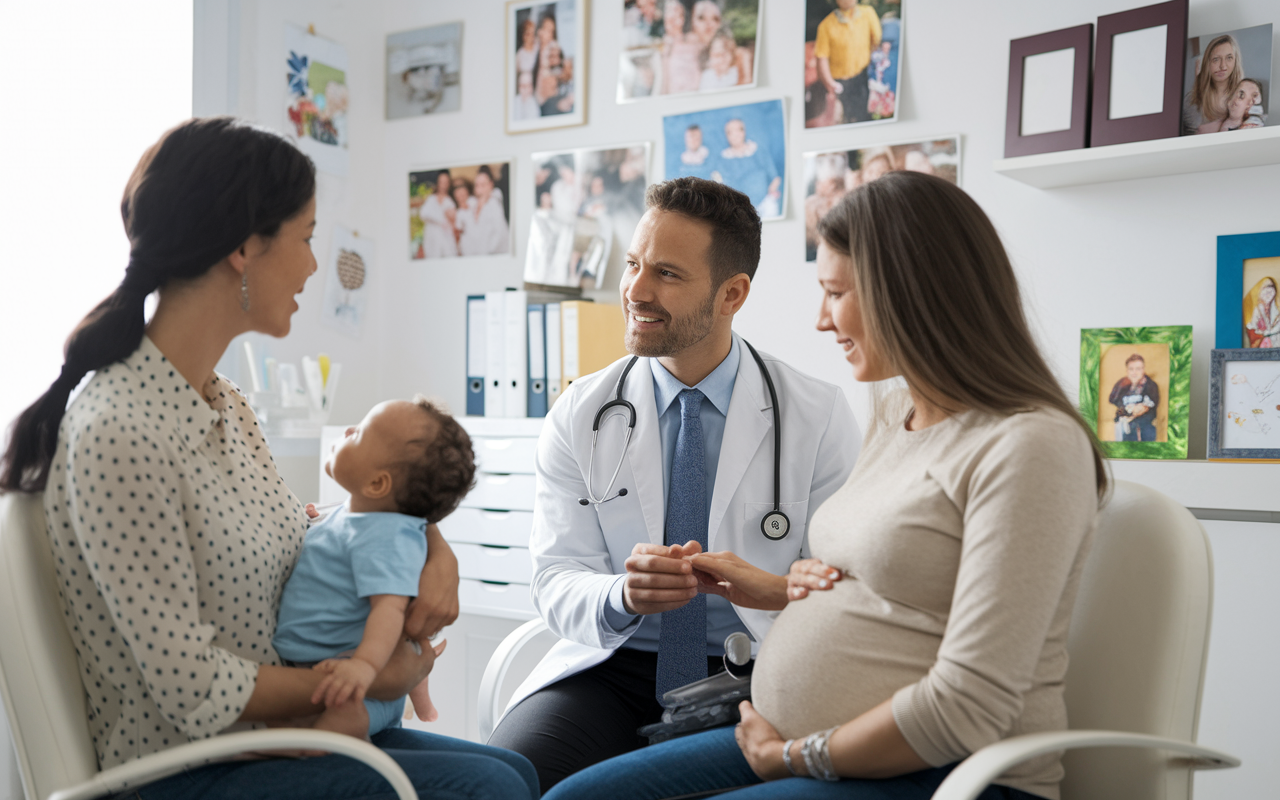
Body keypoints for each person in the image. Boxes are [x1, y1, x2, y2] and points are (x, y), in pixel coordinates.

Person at [0, 117, 538, 800]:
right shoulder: (122, 432)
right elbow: (189, 680)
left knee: (515, 772)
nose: (315, 264)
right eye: (307, 237)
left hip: (279, 738)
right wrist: (374, 676)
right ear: (245, 249)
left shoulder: (226, 405)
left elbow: (314, 533)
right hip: (191, 767)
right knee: (490, 790)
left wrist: (433, 545)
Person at [542, 170, 1107, 800]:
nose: (819, 320)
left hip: (942, 769)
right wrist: (777, 588)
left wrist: (796, 756)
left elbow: (971, 700)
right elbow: (885, 586)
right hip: (799, 732)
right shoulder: (901, 416)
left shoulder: (1032, 447)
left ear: (911, 295)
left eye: (836, 294)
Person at [486, 176, 860, 794]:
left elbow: (839, 589)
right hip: (611, 668)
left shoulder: (816, 416)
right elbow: (554, 577)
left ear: (731, 294)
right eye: (634, 264)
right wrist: (620, 594)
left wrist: (767, 588)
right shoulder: (582, 410)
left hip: (751, 676)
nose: (635, 290)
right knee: (509, 783)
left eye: (666, 273)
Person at [273, 397, 476, 738]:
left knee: (341, 719)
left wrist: (363, 668)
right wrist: (316, 522)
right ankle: (421, 704)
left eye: (359, 433)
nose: (348, 430)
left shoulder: (384, 537)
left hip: (358, 683)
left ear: (377, 484)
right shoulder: (362, 514)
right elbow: (341, 539)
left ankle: (317, 744)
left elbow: (390, 609)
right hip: (326, 662)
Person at [814, 0, 882, 125]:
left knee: (865, 113)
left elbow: (876, 41)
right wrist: (830, 83)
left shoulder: (868, 13)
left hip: (863, 75)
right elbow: (822, 58)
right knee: (847, 117)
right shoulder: (826, 26)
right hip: (841, 82)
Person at [716, 118, 782, 218]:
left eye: (739, 130)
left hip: (765, 204)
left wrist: (771, 194)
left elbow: (775, 177)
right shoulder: (724, 159)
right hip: (740, 210)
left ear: (744, 131)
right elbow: (723, 184)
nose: (735, 134)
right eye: (730, 132)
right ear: (726, 135)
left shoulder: (757, 151)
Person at [1183, 34, 1243, 134]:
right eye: (1216, 59)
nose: (1223, 66)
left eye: (1229, 58)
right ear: (1207, 63)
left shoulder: (1245, 97)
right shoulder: (1191, 101)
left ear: (1235, 61)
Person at [459, 166, 510, 256]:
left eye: (483, 185)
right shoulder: (471, 205)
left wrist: (488, 252)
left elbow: (500, 234)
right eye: (477, 185)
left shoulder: (494, 204)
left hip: (490, 255)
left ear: (490, 184)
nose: (479, 189)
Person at [1109, 354, 1160, 442]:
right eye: (1131, 369)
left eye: (1138, 369)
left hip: (1143, 431)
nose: (1134, 372)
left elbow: (1146, 407)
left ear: (1143, 369)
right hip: (1122, 428)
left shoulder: (1151, 386)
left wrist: (1133, 412)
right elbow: (1113, 401)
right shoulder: (1121, 385)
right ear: (1127, 370)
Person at [661, 0, 703, 95]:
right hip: (675, 95)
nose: (673, 17)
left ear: (683, 18)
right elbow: (665, 79)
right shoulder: (663, 46)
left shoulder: (693, 40)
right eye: (669, 12)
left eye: (678, 14)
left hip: (695, 93)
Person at [1197, 77, 1266, 133]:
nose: (1235, 98)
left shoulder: (1248, 130)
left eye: (1241, 95)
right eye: (1235, 92)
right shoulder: (1205, 128)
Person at [418, 171, 459, 258]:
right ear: (438, 183)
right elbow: (423, 214)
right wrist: (441, 218)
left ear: (449, 184)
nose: (443, 185)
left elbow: (454, 221)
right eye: (441, 182)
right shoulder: (431, 199)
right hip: (431, 240)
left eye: (446, 182)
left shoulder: (450, 201)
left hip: (446, 241)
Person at [1247, 276, 1280, 347]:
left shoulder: (1276, 311)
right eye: (1265, 287)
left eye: (1271, 286)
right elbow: (1253, 329)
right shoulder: (1257, 310)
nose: (1268, 291)